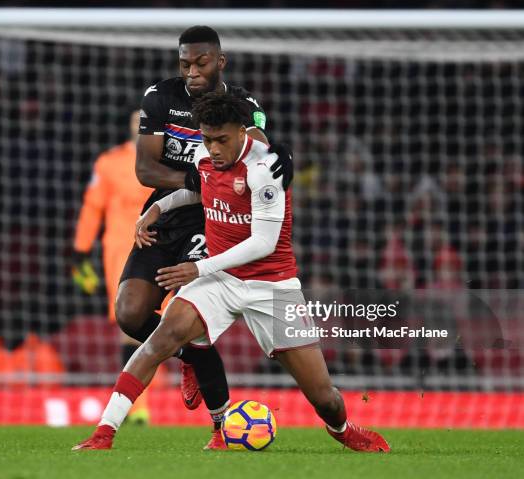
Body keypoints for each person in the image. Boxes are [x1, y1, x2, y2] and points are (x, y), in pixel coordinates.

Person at [73, 92, 389, 453]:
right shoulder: (205, 153)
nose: (214, 148)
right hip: (221, 278)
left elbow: (263, 243)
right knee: (162, 338)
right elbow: (198, 191)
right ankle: (104, 432)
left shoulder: (265, 170)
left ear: (243, 132)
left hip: (271, 283)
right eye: (207, 139)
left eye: (222, 139)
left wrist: (197, 267)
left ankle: (344, 430)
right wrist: (157, 208)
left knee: (324, 396)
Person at [113, 26, 293, 449]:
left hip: (214, 218)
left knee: (186, 317)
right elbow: (145, 170)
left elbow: (262, 149)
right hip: (166, 212)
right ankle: (191, 357)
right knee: (129, 313)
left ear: (220, 61)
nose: (192, 72)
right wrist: (195, 176)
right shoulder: (159, 98)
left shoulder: (243, 104)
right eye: (185, 64)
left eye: (201, 63)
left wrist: (280, 150)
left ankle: (219, 426)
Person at [71, 108, 155, 424]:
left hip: (165, 249)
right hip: (121, 250)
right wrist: (80, 251)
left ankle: (145, 400)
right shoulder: (109, 163)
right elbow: (93, 207)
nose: (140, 127)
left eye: (145, 122)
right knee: (131, 325)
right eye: (136, 122)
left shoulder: (170, 161)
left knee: (165, 326)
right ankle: (138, 405)